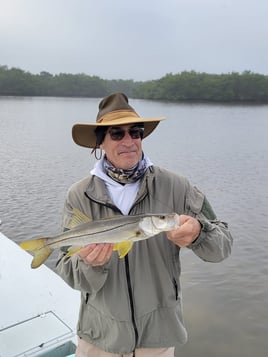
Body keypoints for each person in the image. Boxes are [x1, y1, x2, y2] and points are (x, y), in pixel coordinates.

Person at [56, 92, 233, 357]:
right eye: (117, 134)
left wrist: (199, 234)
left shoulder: (178, 186)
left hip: (158, 339)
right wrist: (91, 265)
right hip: (99, 338)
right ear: (101, 142)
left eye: (136, 132)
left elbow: (222, 246)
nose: (129, 141)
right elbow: (67, 268)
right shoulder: (79, 195)